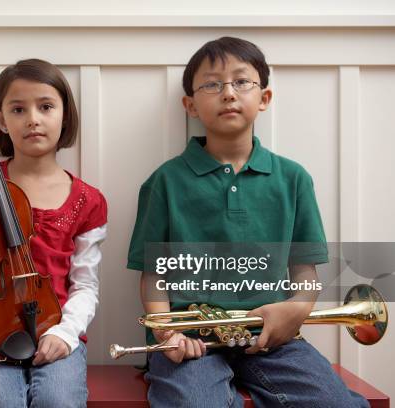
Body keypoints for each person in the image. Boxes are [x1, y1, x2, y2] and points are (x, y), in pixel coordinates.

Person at [127, 37, 368, 407]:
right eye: (211, 84)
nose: (228, 93)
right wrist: (165, 334)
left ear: (264, 98)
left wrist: (298, 308)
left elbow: (305, 273)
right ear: (190, 105)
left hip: (275, 340)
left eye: (242, 82)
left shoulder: (294, 179)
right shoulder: (165, 181)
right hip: (192, 341)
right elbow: (153, 277)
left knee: (336, 403)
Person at [0, 58, 107, 408]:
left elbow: (85, 284)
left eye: (45, 107)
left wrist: (66, 332)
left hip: (56, 328)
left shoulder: (88, 200)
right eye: (18, 109)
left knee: (59, 400)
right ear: (0, 120)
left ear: (65, 115)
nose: (33, 119)